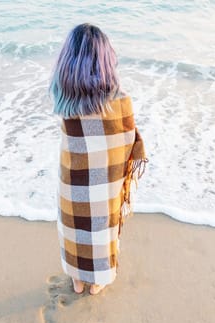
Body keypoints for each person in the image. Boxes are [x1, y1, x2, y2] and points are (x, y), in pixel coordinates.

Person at [50, 23, 148, 295]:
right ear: (106, 61)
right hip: (106, 182)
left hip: (73, 180)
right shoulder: (120, 102)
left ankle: (78, 279)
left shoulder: (64, 99)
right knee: (103, 226)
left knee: (74, 225)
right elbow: (125, 140)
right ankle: (98, 280)